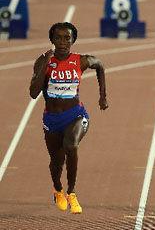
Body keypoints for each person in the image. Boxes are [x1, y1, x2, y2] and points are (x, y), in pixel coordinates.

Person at [29, 22, 108, 214]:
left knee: (71, 145)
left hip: (76, 114)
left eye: (67, 38)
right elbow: (33, 93)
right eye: (58, 38)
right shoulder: (42, 61)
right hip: (52, 119)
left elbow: (100, 65)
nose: (63, 42)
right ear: (52, 40)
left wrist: (103, 95)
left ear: (73, 40)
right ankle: (58, 190)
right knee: (56, 161)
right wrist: (45, 64)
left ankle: (72, 192)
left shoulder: (80, 61)